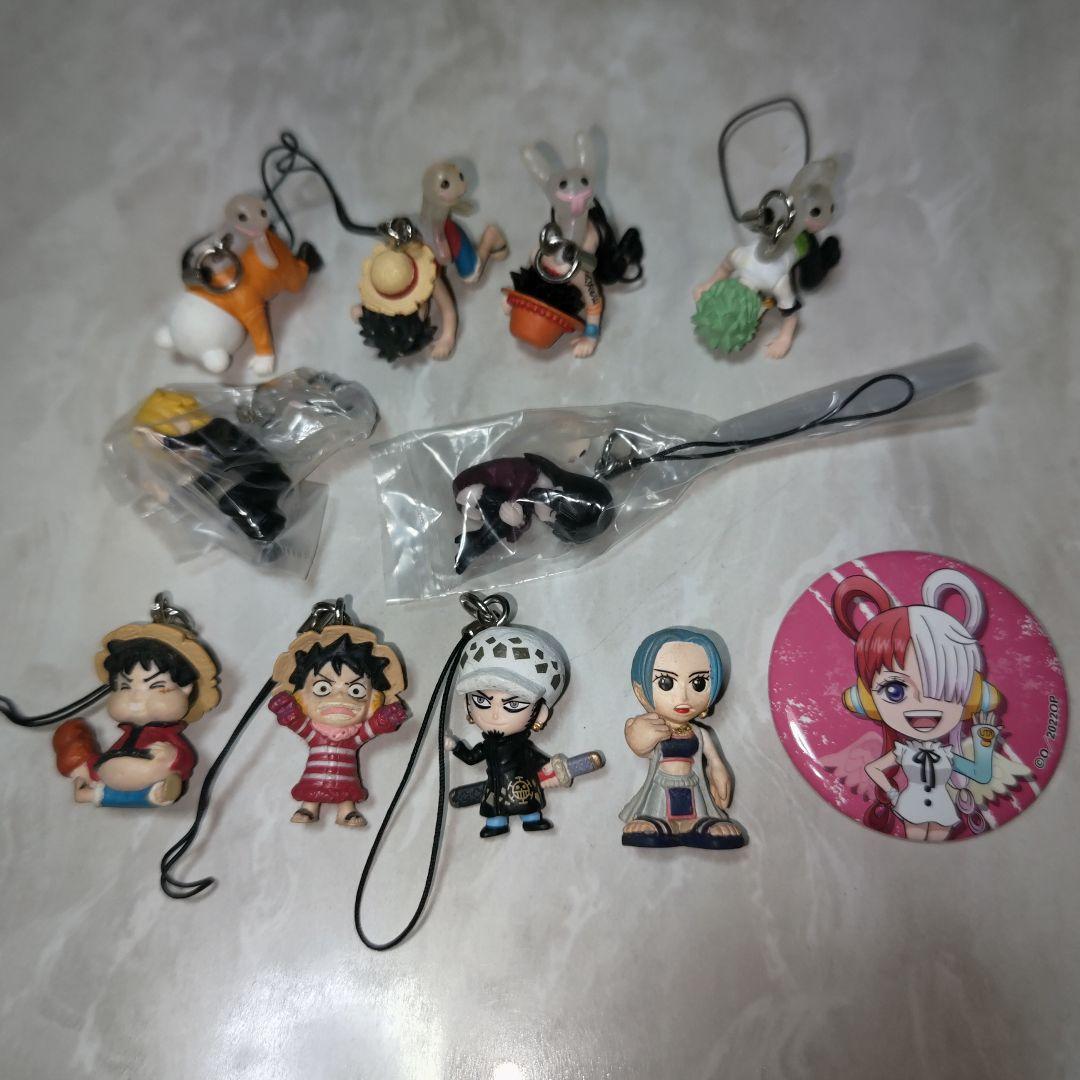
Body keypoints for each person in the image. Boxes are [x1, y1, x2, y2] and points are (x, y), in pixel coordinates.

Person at [620, 627, 746, 849]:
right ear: (641, 691)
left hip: (693, 786)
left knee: (698, 813)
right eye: (666, 683)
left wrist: (719, 771)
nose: (684, 697)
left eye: (698, 684)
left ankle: (698, 824)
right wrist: (639, 735)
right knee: (656, 815)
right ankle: (656, 821)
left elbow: (714, 760)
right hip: (661, 786)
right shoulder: (653, 727)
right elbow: (640, 747)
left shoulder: (699, 733)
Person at [268, 628, 407, 828]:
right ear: (302, 697)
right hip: (313, 780)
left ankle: (346, 811)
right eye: (323, 688)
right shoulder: (313, 733)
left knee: (347, 793)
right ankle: (309, 807)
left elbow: (374, 727)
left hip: (346, 781)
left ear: (372, 700)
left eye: (356, 690)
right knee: (312, 791)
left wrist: (386, 719)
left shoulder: (353, 737)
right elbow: (296, 722)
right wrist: (286, 710)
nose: (340, 698)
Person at [444, 625, 570, 838]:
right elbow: (472, 757)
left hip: (521, 787)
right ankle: (496, 822)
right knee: (494, 808)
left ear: (539, 714)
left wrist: (551, 767)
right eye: (482, 701)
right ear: (467, 705)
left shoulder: (521, 746)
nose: (495, 715)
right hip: (495, 789)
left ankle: (531, 818)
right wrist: (455, 746)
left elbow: (535, 758)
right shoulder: (487, 745)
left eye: (512, 705)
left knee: (527, 804)